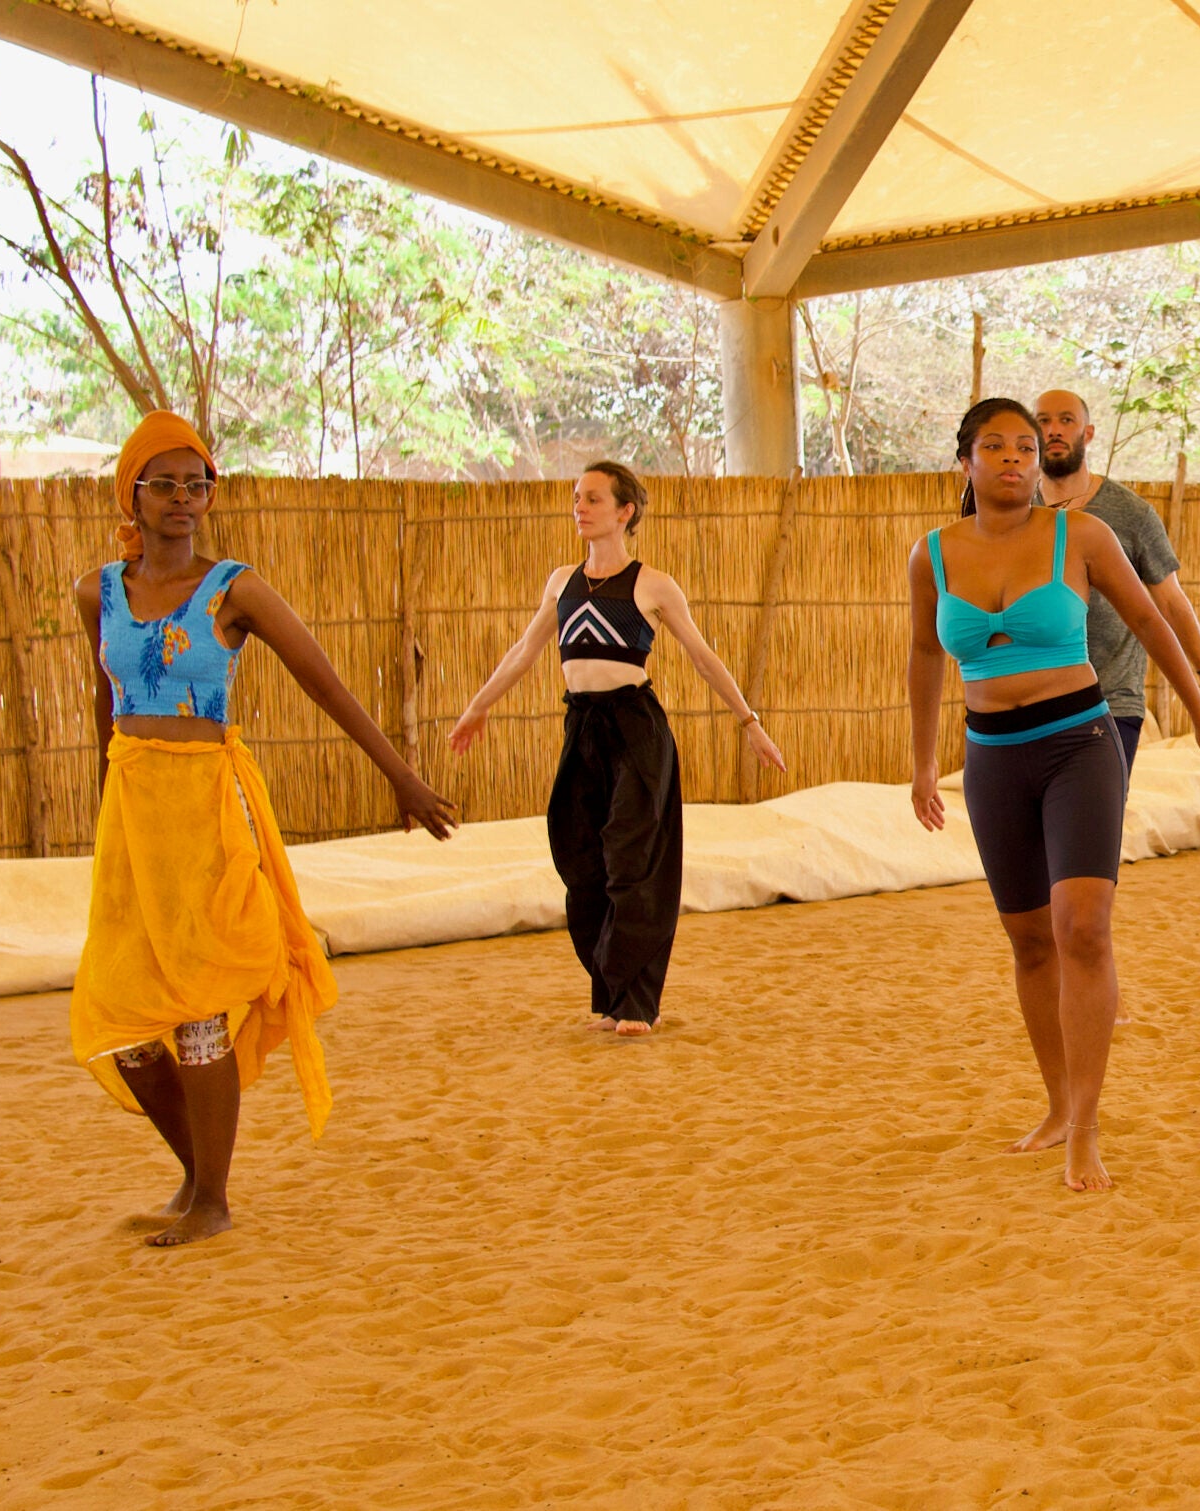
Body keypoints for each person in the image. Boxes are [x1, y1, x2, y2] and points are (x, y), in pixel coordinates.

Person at [71, 411, 458, 1247]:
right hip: (132, 816)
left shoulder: (235, 589)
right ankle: (194, 1173)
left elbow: (325, 684)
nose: (184, 498)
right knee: (125, 1020)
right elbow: (103, 705)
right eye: (165, 483)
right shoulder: (96, 591)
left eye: (197, 482)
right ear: (130, 495)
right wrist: (103, 799)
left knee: (201, 1005)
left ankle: (213, 1199)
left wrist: (403, 779)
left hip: (205, 811)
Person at [907, 398, 1200, 1191]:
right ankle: (1057, 1105)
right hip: (991, 756)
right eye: (997, 446)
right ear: (966, 462)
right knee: (1029, 941)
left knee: (1082, 927)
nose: (1017, 457)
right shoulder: (932, 554)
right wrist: (923, 766)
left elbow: (1153, 619)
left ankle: (1086, 1127)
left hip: (1081, 743)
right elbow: (923, 652)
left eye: (1027, 446)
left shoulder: (1083, 535)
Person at [450, 462, 784, 1036]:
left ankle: (636, 1003)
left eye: (594, 499)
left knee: (632, 858)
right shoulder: (561, 581)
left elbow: (704, 657)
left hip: (635, 729)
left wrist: (748, 721)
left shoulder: (652, 584)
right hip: (582, 729)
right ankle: (609, 991)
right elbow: (524, 651)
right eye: (577, 498)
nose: (580, 507)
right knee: (583, 861)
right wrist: (478, 706)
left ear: (625, 511)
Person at [1033, 389, 1200, 769]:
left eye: (1066, 420)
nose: (1054, 430)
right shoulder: (1016, 514)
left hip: (1111, 701)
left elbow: (1171, 604)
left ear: (1087, 434)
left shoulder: (1130, 514)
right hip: (1033, 703)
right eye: (1043, 421)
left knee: (1092, 826)